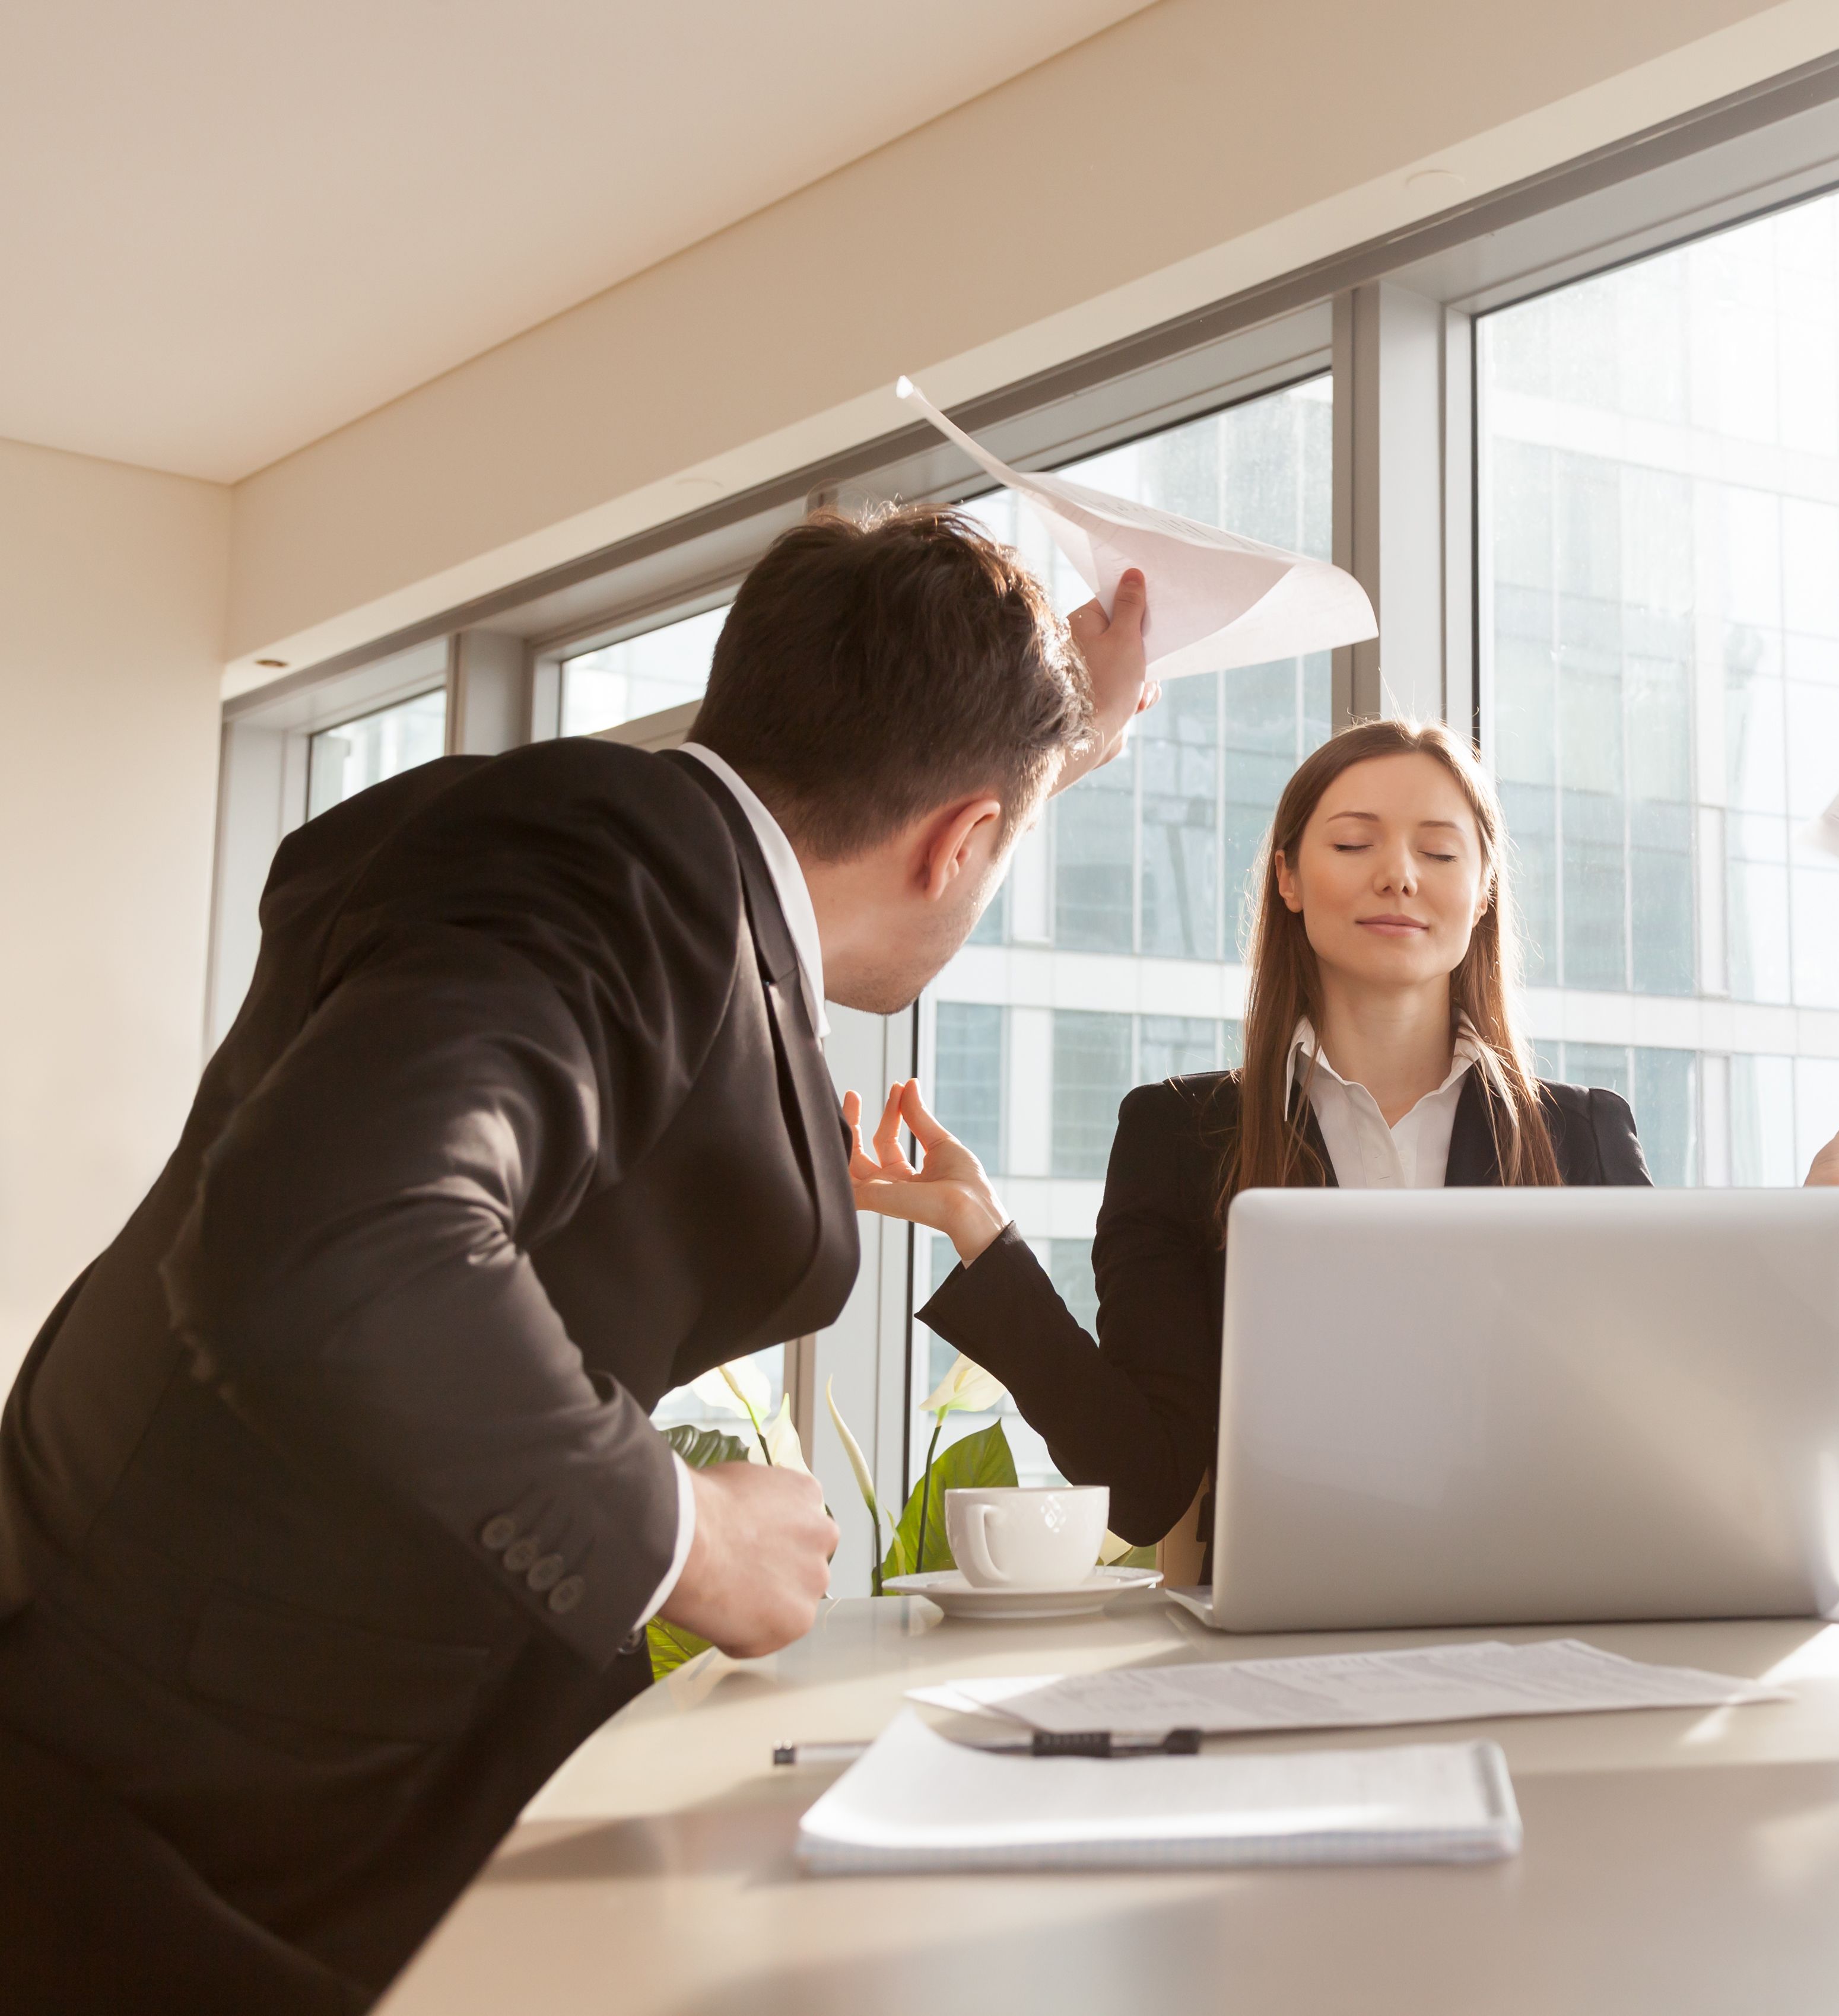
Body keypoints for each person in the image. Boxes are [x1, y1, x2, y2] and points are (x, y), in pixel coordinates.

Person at [0, 505, 1156, 2011]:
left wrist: (1050, 739)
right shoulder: (617, 862)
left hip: (276, 1746)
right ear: (962, 842)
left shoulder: (619, 847)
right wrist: (687, 1532)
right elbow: (341, 1243)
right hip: (202, 1806)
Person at [846, 717, 1839, 1575]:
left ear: (1481, 895)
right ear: (1288, 878)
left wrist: (1830, 1223)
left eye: (1440, 850)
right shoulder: (1179, 1134)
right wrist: (979, 1235)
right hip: (1281, 1630)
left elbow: (1687, 1422)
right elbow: (1145, 1486)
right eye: (1353, 842)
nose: (1399, 876)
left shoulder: (1579, 1132)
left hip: (1551, 1604)